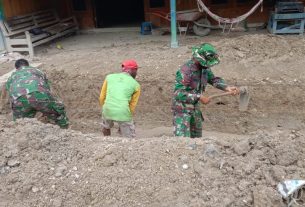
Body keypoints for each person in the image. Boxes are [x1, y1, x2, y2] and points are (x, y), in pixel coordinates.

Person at [172, 43, 238, 138]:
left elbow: (213, 79)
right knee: (182, 142)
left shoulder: (204, 68)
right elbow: (178, 94)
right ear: (200, 60)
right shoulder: (185, 71)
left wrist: (226, 87)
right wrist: (199, 97)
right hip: (182, 111)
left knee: (197, 140)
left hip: (195, 109)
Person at [2, 59, 69, 128]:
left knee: (20, 124)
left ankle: (22, 134)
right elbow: (47, 87)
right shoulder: (37, 71)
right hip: (40, 95)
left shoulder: (11, 77)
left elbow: (10, 91)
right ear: (28, 65)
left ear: (16, 68)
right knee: (58, 115)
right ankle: (65, 130)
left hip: (19, 100)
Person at [99, 60, 141, 138]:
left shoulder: (109, 77)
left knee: (106, 127)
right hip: (123, 111)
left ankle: (106, 140)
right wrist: (124, 119)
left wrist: (104, 108)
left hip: (107, 108)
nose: (136, 73)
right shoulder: (136, 85)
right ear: (131, 70)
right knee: (130, 138)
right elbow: (132, 106)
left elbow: (102, 97)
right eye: (136, 70)